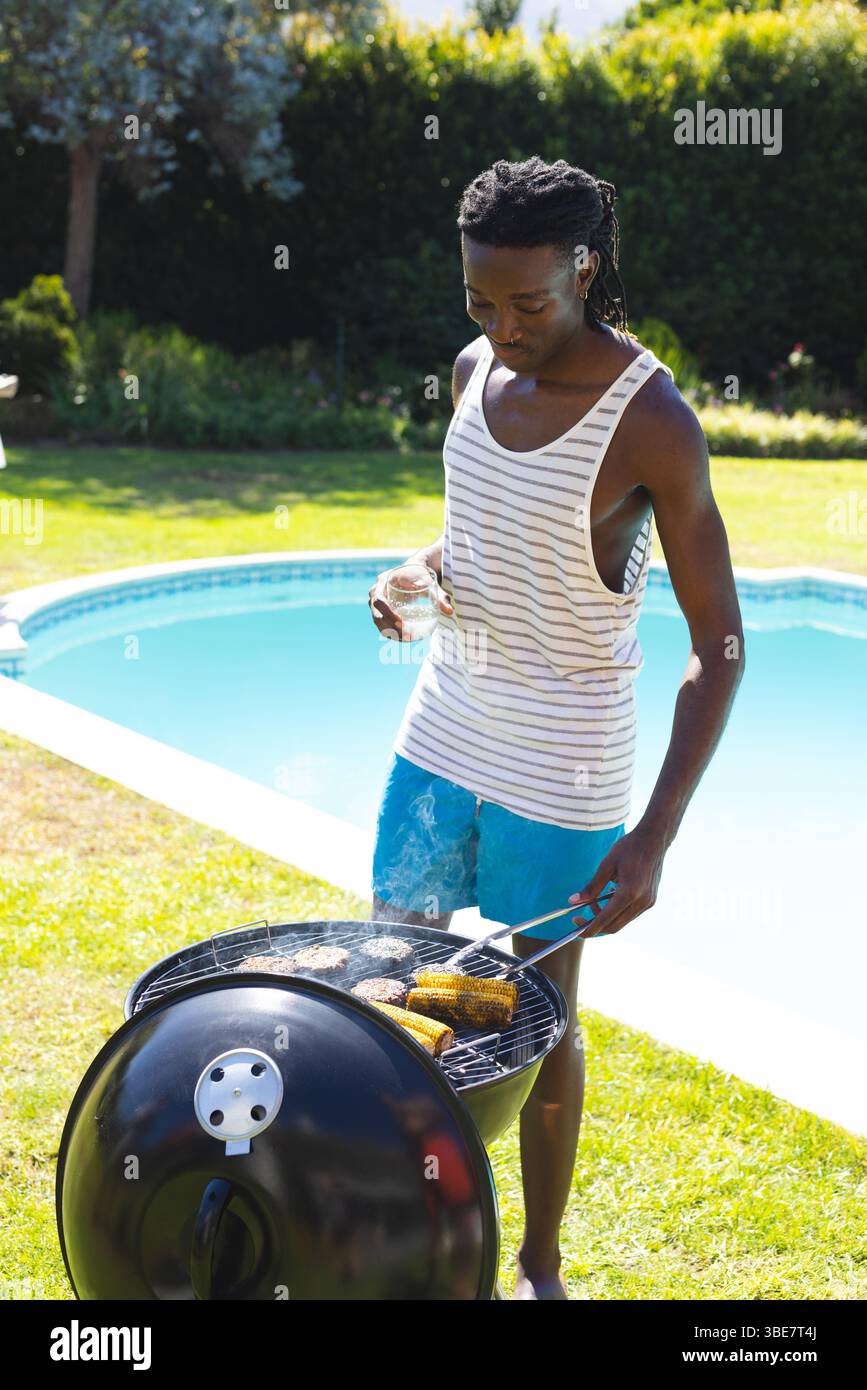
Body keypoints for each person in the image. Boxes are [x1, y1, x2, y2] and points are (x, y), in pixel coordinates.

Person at [367, 156, 745, 1299]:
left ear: (586, 266)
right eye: (481, 301)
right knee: (397, 981)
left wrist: (656, 836)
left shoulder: (654, 423)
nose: (504, 326)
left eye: (530, 302)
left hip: (562, 767)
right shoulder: (476, 367)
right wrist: (411, 575)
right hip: (442, 729)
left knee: (538, 1022)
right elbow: (472, 543)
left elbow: (718, 646)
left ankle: (536, 1265)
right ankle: (408, 1223)